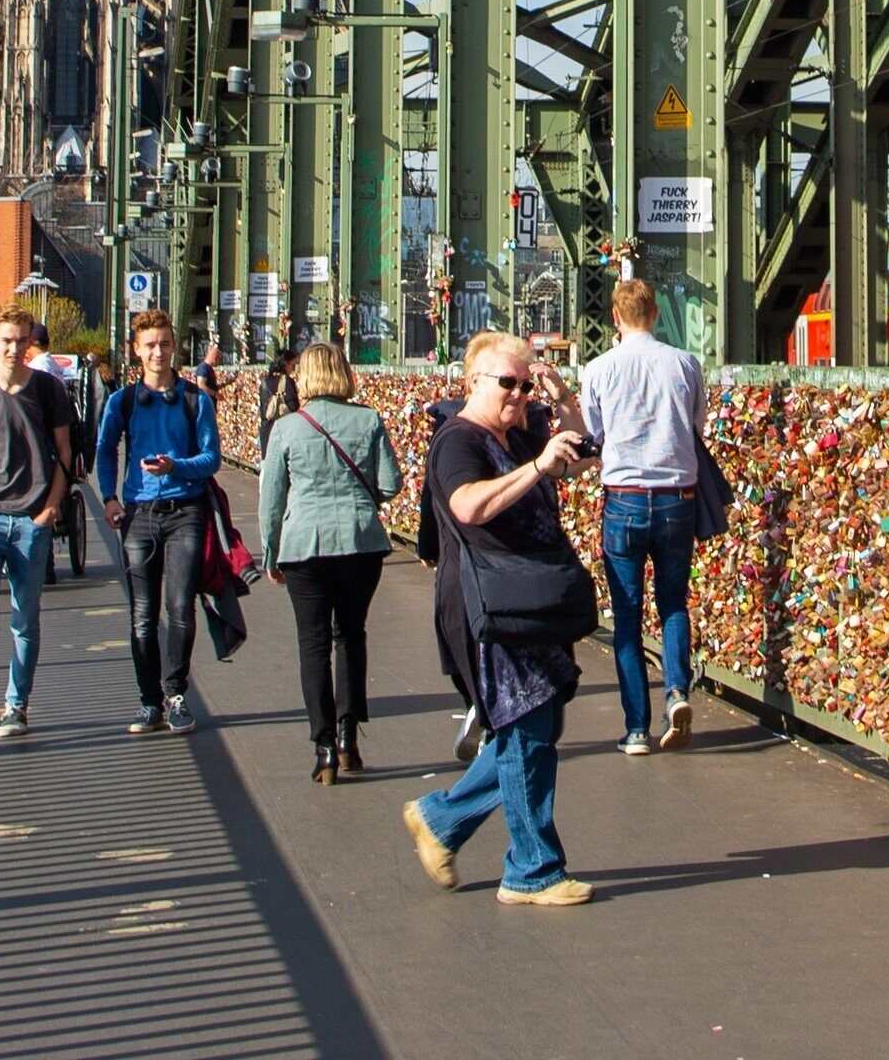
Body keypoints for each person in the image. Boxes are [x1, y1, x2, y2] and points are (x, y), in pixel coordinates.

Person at [404, 329, 595, 907]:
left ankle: (442, 819)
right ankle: (532, 869)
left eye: (525, 383)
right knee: (528, 723)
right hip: (489, 605)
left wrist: (562, 400)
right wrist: (537, 465)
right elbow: (468, 506)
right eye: (506, 383)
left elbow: (586, 454)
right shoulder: (457, 441)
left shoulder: (520, 430)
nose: (517, 394)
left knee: (534, 724)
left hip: (528, 599)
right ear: (472, 382)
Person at [258, 341, 403, 784]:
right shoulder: (368, 419)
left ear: (305, 375)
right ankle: (347, 737)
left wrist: (271, 552)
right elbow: (391, 484)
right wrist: (359, 500)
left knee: (313, 643)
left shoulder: (287, 427)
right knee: (350, 635)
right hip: (361, 544)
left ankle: (322, 747)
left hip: (304, 544)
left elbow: (271, 500)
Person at [583, 276, 707, 756]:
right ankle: (676, 691)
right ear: (655, 314)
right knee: (674, 602)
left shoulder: (599, 368)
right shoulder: (684, 363)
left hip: (624, 498)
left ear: (615, 318)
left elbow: (596, 433)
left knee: (628, 616)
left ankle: (636, 729)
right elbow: (695, 426)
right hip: (678, 496)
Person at [0, 310, 78, 754]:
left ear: (30, 344)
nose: (13, 348)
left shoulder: (48, 390)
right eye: (6, 340)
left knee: (25, 618)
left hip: (31, 519)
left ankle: (16, 706)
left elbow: (66, 451)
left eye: (21, 340)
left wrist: (51, 507)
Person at [95, 309, 221, 733]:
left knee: (180, 607)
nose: (159, 353)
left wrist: (175, 467)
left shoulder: (194, 399)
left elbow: (210, 458)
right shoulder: (123, 401)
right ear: (137, 350)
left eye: (165, 344)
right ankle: (149, 700)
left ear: (175, 346)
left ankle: (176, 694)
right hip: (139, 514)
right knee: (142, 614)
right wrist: (109, 497)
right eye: (150, 345)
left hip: (185, 511)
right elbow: (105, 447)